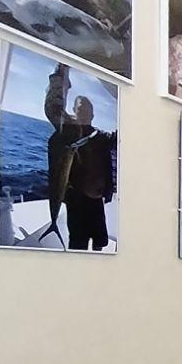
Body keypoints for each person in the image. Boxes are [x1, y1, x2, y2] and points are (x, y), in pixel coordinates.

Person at [41, 63, 116, 251]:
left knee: (100, 242)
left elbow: (118, 139)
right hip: (76, 202)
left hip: (96, 202)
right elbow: (52, 108)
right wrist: (60, 75)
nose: (83, 112)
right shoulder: (68, 130)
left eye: (87, 110)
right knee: (78, 243)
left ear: (93, 114)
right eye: (80, 109)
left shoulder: (100, 137)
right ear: (74, 110)